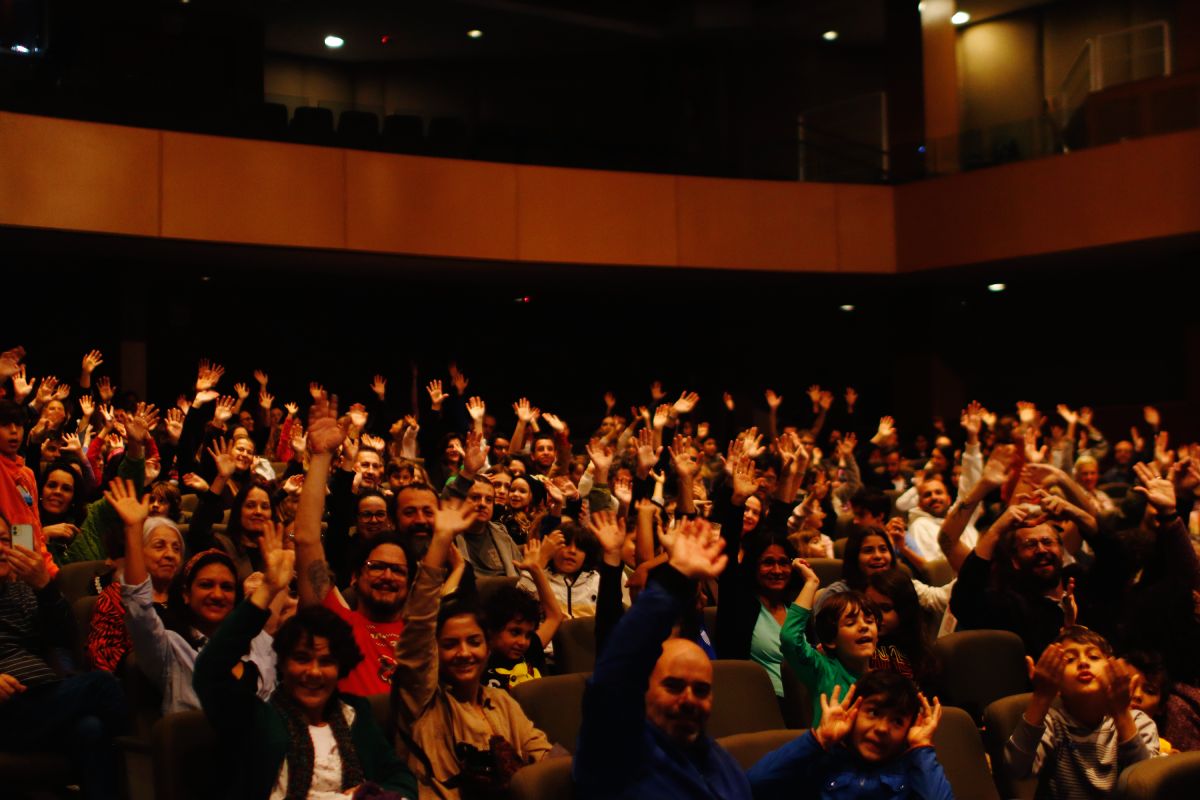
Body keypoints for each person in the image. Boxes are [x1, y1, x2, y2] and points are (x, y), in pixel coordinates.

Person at [193, 519, 418, 800]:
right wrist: (268, 590)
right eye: (302, 658)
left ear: (339, 669)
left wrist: (374, 796)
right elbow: (209, 670)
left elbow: (401, 778)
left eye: (326, 662)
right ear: (283, 664)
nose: (313, 672)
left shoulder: (354, 715)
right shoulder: (256, 718)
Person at [573, 517, 752, 800]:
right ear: (644, 687)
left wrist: (815, 744)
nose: (689, 699)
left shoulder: (711, 755)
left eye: (701, 690)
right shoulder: (616, 746)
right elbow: (615, 675)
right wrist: (676, 574)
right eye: (673, 686)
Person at [392, 497, 553, 798]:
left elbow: (542, 751)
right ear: (435, 650)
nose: (464, 653)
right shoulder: (422, 699)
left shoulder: (501, 702)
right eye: (450, 644)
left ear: (488, 646)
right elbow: (418, 627)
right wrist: (440, 541)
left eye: (474, 642)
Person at [109, 477, 277, 713]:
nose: (217, 594)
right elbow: (139, 609)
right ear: (186, 595)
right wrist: (134, 530)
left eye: (227, 587)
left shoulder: (258, 641)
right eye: (206, 585)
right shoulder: (172, 649)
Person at [0, 508, 127, 800]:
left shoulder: (22, 589)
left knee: (91, 729)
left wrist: (45, 587)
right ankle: (145, 749)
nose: (1, 548)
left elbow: (65, 638)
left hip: (44, 700)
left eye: (6, 540)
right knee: (103, 686)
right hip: (7, 708)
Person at [295, 395, 414, 696]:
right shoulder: (338, 623)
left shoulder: (423, 635)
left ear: (411, 583)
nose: (387, 576)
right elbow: (308, 539)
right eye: (376, 567)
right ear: (355, 577)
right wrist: (322, 456)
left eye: (398, 570)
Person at [1004, 627, 1158, 799]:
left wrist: (1121, 713)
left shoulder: (1137, 722)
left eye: (1094, 657)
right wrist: (1041, 697)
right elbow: (1015, 769)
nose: (1083, 662)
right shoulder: (1051, 724)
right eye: (1070, 660)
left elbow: (1147, 785)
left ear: (1111, 667)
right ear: (1056, 681)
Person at [747, 674, 953, 800]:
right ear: (853, 713)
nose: (882, 728)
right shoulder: (822, 759)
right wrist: (818, 740)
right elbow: (752, 785)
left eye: (897, 721)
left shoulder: (912, 769)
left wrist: (922, 747)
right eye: (873, 713)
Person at [783, 558, 879, 725]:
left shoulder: (883, 679)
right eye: (850, 623)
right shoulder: (824, 670)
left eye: (869, 621)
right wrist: (811, 583)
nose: (864, 626)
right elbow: (790, 638)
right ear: (830, 640)